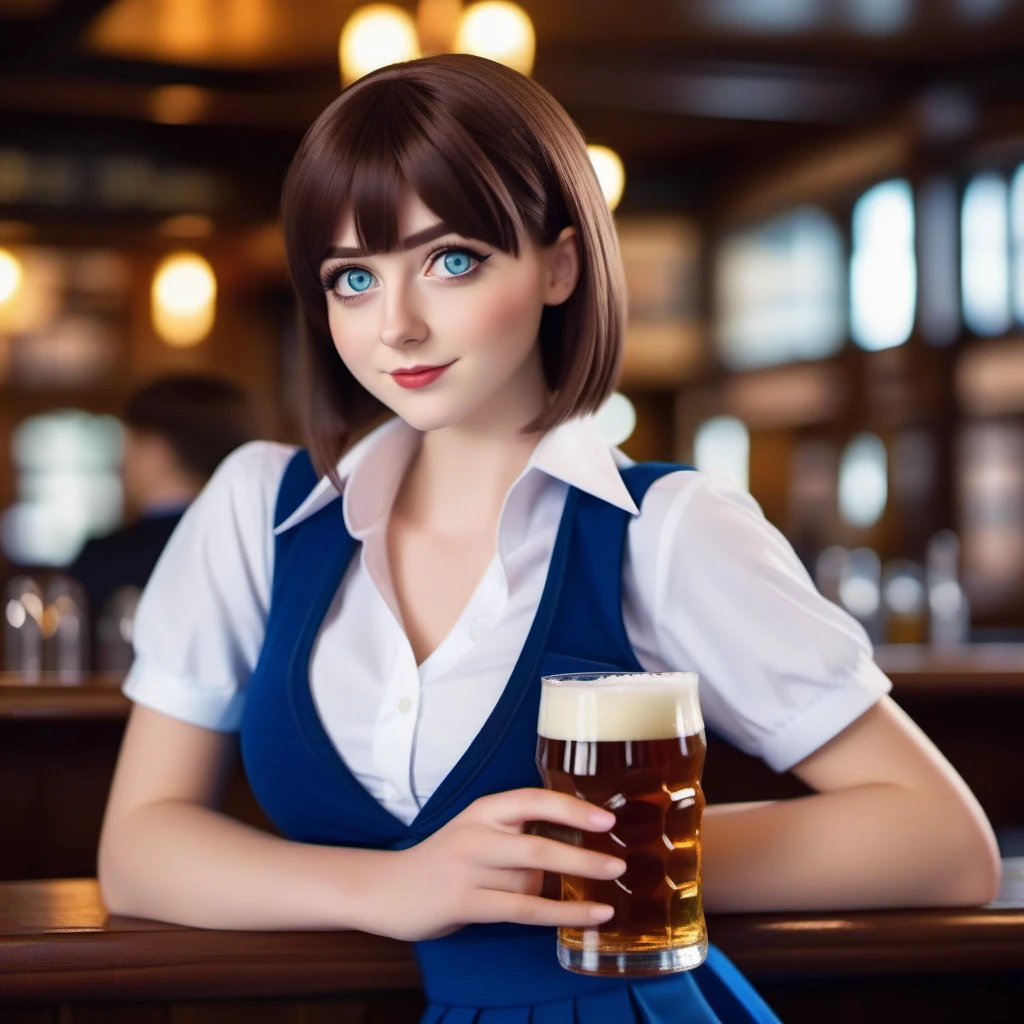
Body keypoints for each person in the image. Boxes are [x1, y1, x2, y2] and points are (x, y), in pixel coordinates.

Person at [96, 55, 1001, 1023]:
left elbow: (942, 839)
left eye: (450, 261)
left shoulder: (665, 529)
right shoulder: (257, 510)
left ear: (560, 265)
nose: (397, 324)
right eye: (354, 277)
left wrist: (601, 861)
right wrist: (397, 888)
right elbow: (140, 848)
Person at [69, 375, 259, 661]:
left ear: (155, 450)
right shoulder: (256, 544)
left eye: (129, 442)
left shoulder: (103, 558)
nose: (121, 460)